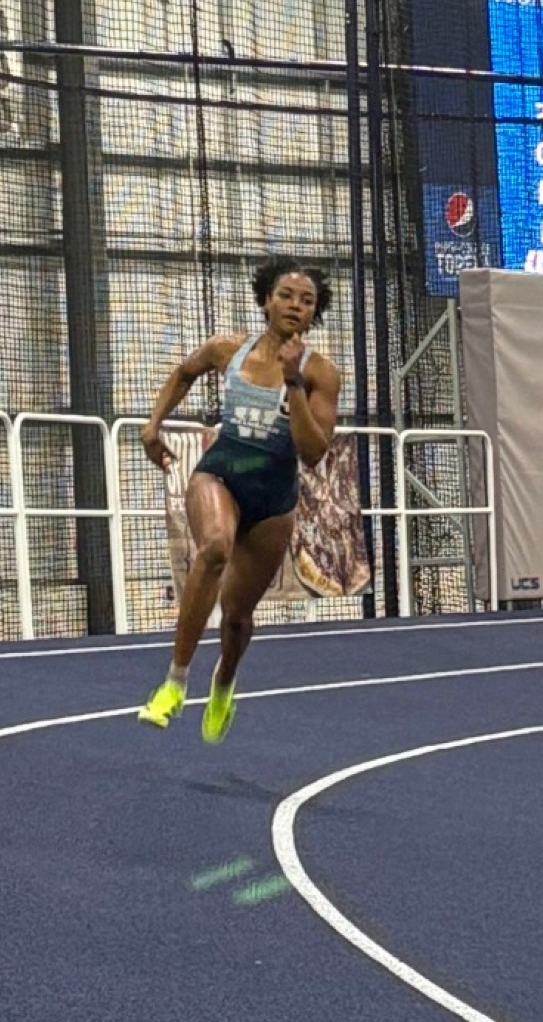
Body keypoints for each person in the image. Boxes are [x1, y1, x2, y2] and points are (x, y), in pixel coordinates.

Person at [135, 256, 342, 743]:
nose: (295, 305)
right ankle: (174, 683)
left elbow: (313, 453)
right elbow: (184, 373)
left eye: (307, 301)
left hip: (272, 497)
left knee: (237, 618)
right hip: (222, 474)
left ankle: (225, 679)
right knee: (212, 550)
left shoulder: (322, 375)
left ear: (315, 313)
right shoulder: (227, 349)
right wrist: (152, 425)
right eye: (287, 295)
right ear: (266, 300)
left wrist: (293, 381)